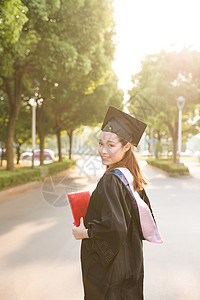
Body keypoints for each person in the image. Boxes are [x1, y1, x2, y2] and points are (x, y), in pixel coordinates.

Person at [72, 106, 162, 300]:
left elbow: (114, 228)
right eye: (100, 143)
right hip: (130, 266)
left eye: (111, 145)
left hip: (110, 274)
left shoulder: (111, 180)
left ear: (127, 146)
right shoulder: (132, 178)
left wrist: (85, 232)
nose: (103, 151)